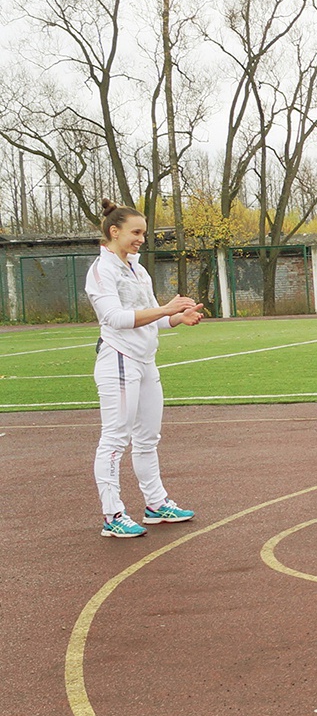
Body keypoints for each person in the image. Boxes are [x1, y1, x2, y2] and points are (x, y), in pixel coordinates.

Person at [84, 200, 206, 539]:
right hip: (118, 359)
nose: (141, 239)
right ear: (114, 231)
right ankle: (113, 514)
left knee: (148, 437)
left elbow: (150, 317)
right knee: (115, 439)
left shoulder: (138, 269)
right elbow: (116, 319)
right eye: (136, 232)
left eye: (143, 233)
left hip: (145, 360)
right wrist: (165, 309)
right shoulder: (101, 270)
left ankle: (155, 505)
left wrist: (175, 318)